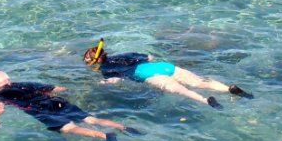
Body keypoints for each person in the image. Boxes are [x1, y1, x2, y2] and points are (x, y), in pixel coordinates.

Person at [0, 66, 139, 141]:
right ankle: (123, 127)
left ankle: (106, 136)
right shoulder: (24, 84)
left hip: (41, 110)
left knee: (69, 128)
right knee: (91, 119)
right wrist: (73, 89)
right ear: (8, 80)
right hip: (57, 102)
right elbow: (55, 88)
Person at [83, 39, 253, 110]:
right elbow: (149, 57)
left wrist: (101, 85)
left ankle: (205, 100)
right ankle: (227, 89)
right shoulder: (123, 55)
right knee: (200, 82)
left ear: (95, 62)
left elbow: (115, 80)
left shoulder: (105, 70)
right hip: (164, 67)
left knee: (182, 91)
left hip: (149, 76)